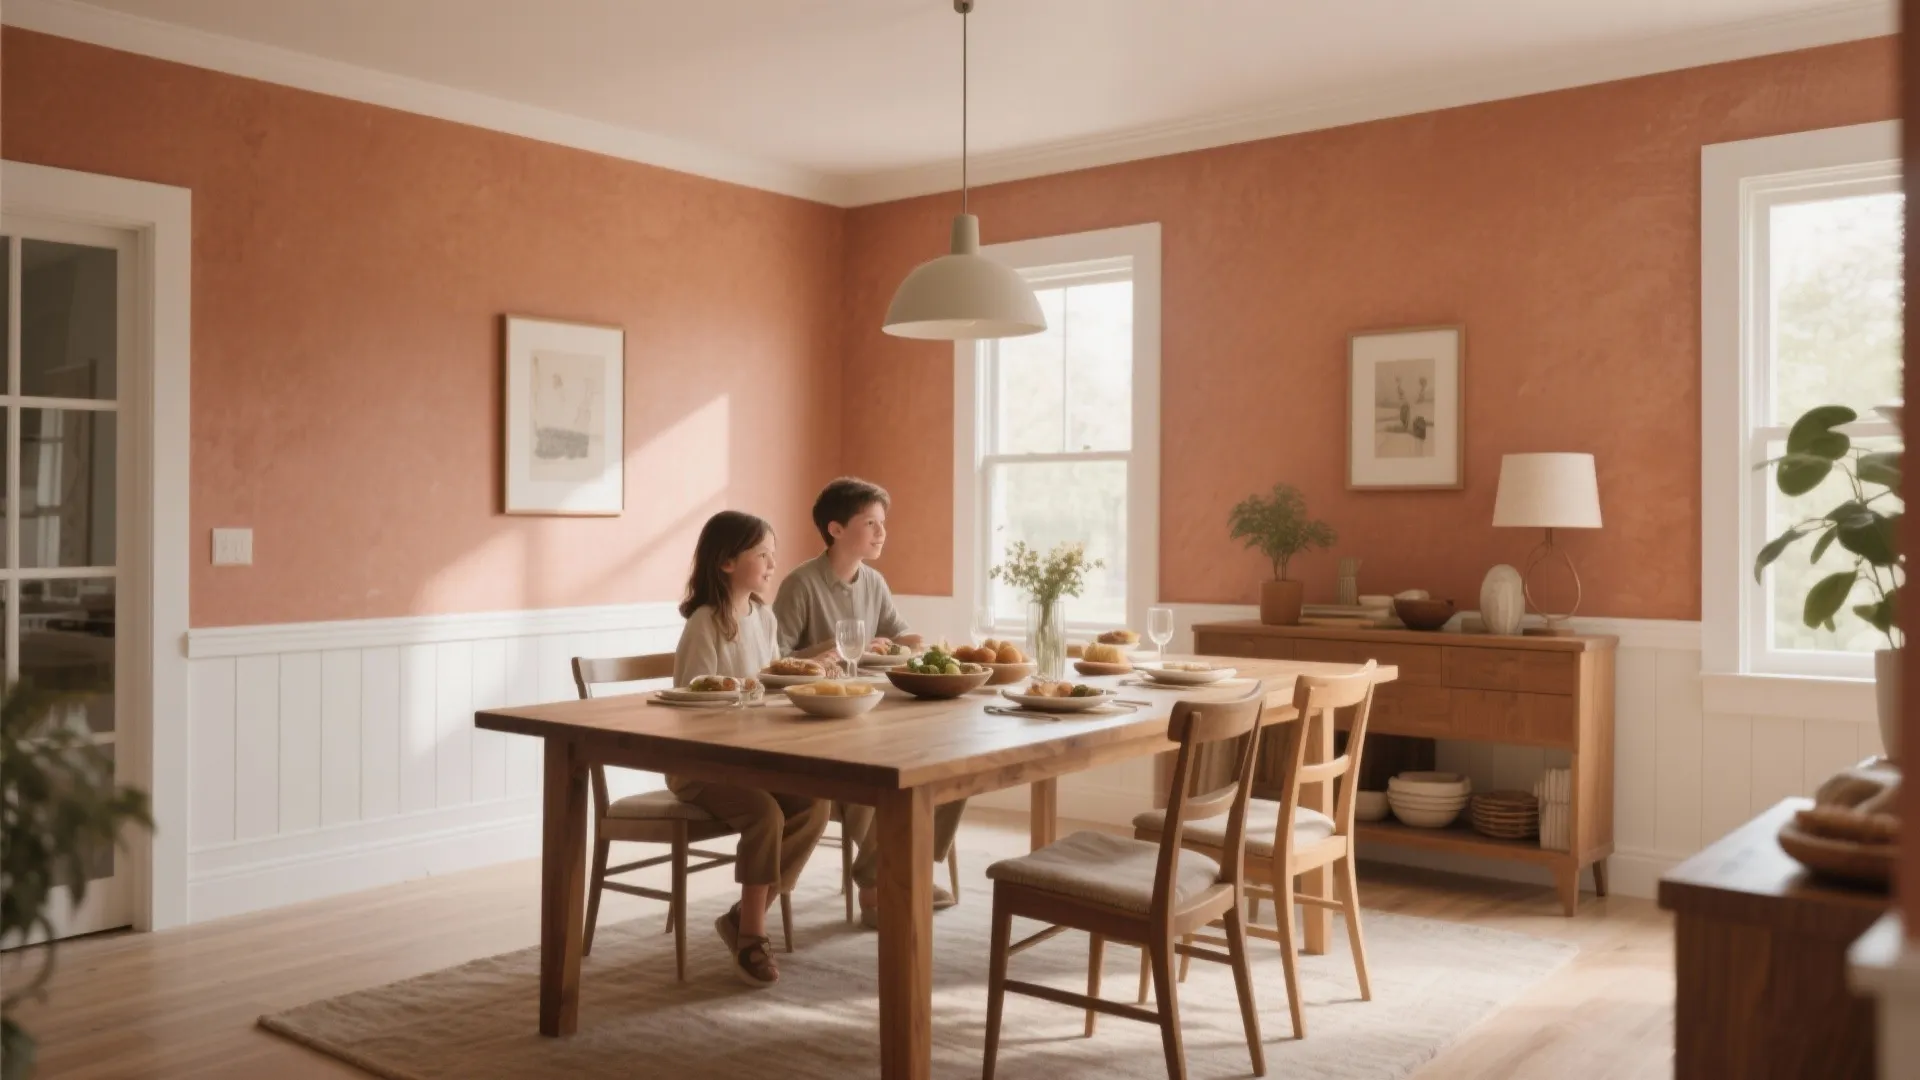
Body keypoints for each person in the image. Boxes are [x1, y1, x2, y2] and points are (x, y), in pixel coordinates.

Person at [773, 477, 962, 930]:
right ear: (836, 529)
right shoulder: (801, 584)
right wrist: (831, 650)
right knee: (872, 775)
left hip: (869, 707)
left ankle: (897, 869)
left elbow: (899, 635)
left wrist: (916, 644)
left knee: (950, 766)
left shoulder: (874, 581)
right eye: (870, 523)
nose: (881, 533)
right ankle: (882, 884)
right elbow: (774, 659)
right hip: (814, 720)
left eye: (883, 524)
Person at [668, 510, 829, 987]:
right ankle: (751, 935)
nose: (771, 563)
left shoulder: (762, 614)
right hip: (699, 764)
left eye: (773, 554)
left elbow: (772, 677)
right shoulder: (704, 623)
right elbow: (696, 694)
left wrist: (811, 669)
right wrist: (747, 684)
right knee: (766, 815)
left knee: (814, 805)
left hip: (749, 760)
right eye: (762, 554)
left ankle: (745, 912)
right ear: (725, 562)